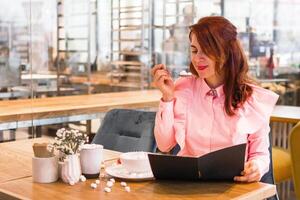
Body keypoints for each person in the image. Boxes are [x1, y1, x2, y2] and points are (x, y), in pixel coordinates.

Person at [151, 16, 279, 183]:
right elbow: (164, 145)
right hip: (188, 186)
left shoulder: (251, 98)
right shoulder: (184, 88)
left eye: (207, 50)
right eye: (195, 50)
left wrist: (256, 167)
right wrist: (167, 98)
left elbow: (260, 155)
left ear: (226, 52)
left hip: (233, 187)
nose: (197, 59)